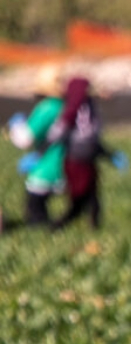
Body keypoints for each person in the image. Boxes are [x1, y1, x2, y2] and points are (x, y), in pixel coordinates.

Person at [50, 77, 127, 231]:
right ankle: (58, 226)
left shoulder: (87, 108)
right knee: (80, 198)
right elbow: (60, 135)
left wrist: (110, 155)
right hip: (76, 160)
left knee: (92, 197)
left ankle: (92, 227)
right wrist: (41, 153)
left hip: (86, 159)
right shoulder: (72, 111)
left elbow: (92, 138)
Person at [7, 65, 66, 229]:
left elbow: (25, 139)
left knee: (35, 208)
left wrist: (15, 127)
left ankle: (42, 227)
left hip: (47, 168)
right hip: (69, 165)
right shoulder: (68, 107)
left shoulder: (46, 108)